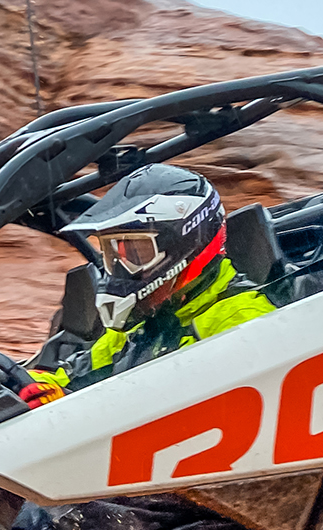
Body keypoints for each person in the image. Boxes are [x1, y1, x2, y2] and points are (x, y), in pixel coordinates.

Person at [25, 164, 276, 401]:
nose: (121, 269)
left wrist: (68, 404)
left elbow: (174, 410)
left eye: (136, 253)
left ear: (182, 245)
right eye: (114, 255)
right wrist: (28, 384)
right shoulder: (146, 322)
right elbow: (71, 375)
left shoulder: (242, 322)